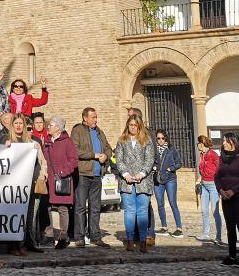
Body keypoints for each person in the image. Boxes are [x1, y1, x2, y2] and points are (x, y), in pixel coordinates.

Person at [6, 113, 46, 255]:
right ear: (12, 125)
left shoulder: (32, 143)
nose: (18, 126)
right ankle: (14, 245)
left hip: (32, 184)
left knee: (31, 217)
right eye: (16, 123)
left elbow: (42, 163)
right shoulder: (7, 141)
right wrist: (5, 148)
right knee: (16, 216)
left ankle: (30, 243)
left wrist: (42, 177)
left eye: (21, 124)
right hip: (14, 187)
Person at [70, 106, 110, 248]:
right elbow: (75, 150)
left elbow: (108, 148)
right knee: (80, 207)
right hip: (83, 174)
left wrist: (106, 155)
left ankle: (95, 236)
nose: (95, 119)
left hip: (97, 174)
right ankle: (79, 237)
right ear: (85, 118)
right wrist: (93, 155)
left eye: (96, 117)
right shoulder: (77, 131)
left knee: (95, 207)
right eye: (93, 117)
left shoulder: (99, 132)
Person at [115, 114, 155, 253]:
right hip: (127, 182)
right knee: (130, 212)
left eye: (135, 125)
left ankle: (143, 240)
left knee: (142, 212)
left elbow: (150, 159)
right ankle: (130, 240)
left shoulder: (147, 140)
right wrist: (125, 174)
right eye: (130, 125)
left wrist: (142, 173)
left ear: (139, 126)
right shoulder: (122, 141)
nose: (132, 127)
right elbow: (118, 160)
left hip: (143, 181)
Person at [215, 131, 239, 267]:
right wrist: (221, 190)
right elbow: (216, 176)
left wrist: (233, 190)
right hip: (225, 196)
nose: (223, 143)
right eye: (223, 141)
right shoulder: (222, 158)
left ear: (233, 142)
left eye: (225, 141)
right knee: (230, 226)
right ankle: (231, 255)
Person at [42, 115, 78, 250]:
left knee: (63, 209)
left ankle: (63, 237)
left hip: (61, 180)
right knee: (47, 207)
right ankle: (49, 235)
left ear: (57, 127)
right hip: (48, 180)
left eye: (50, 125)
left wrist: (63, 173)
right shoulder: (46, 141)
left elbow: (73, 160)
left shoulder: (67, 142)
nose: (48, 127)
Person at [152, 129, 183, 238]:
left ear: (166, 138)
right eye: (158, 138)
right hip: (158, 180)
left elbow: (179, 163)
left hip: (170, 179)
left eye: (162, 138)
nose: (160, 140)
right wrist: (153, 167)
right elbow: (151, 162)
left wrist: (171, 168)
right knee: (160, 204)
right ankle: (164, 227)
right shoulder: (153, 150)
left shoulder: (171, 149)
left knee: (172, 203)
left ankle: (179, 228)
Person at [196, 135, 223, 245]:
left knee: (215, 211)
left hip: (213, 185)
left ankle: (219, 236)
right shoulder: (202, 155)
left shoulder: (213, 154)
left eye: (198, 143)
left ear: (202, 144)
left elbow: (220, 167)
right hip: (204, 185)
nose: (197, 145)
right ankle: (206, 233)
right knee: (204, 210)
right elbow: (202, 169)